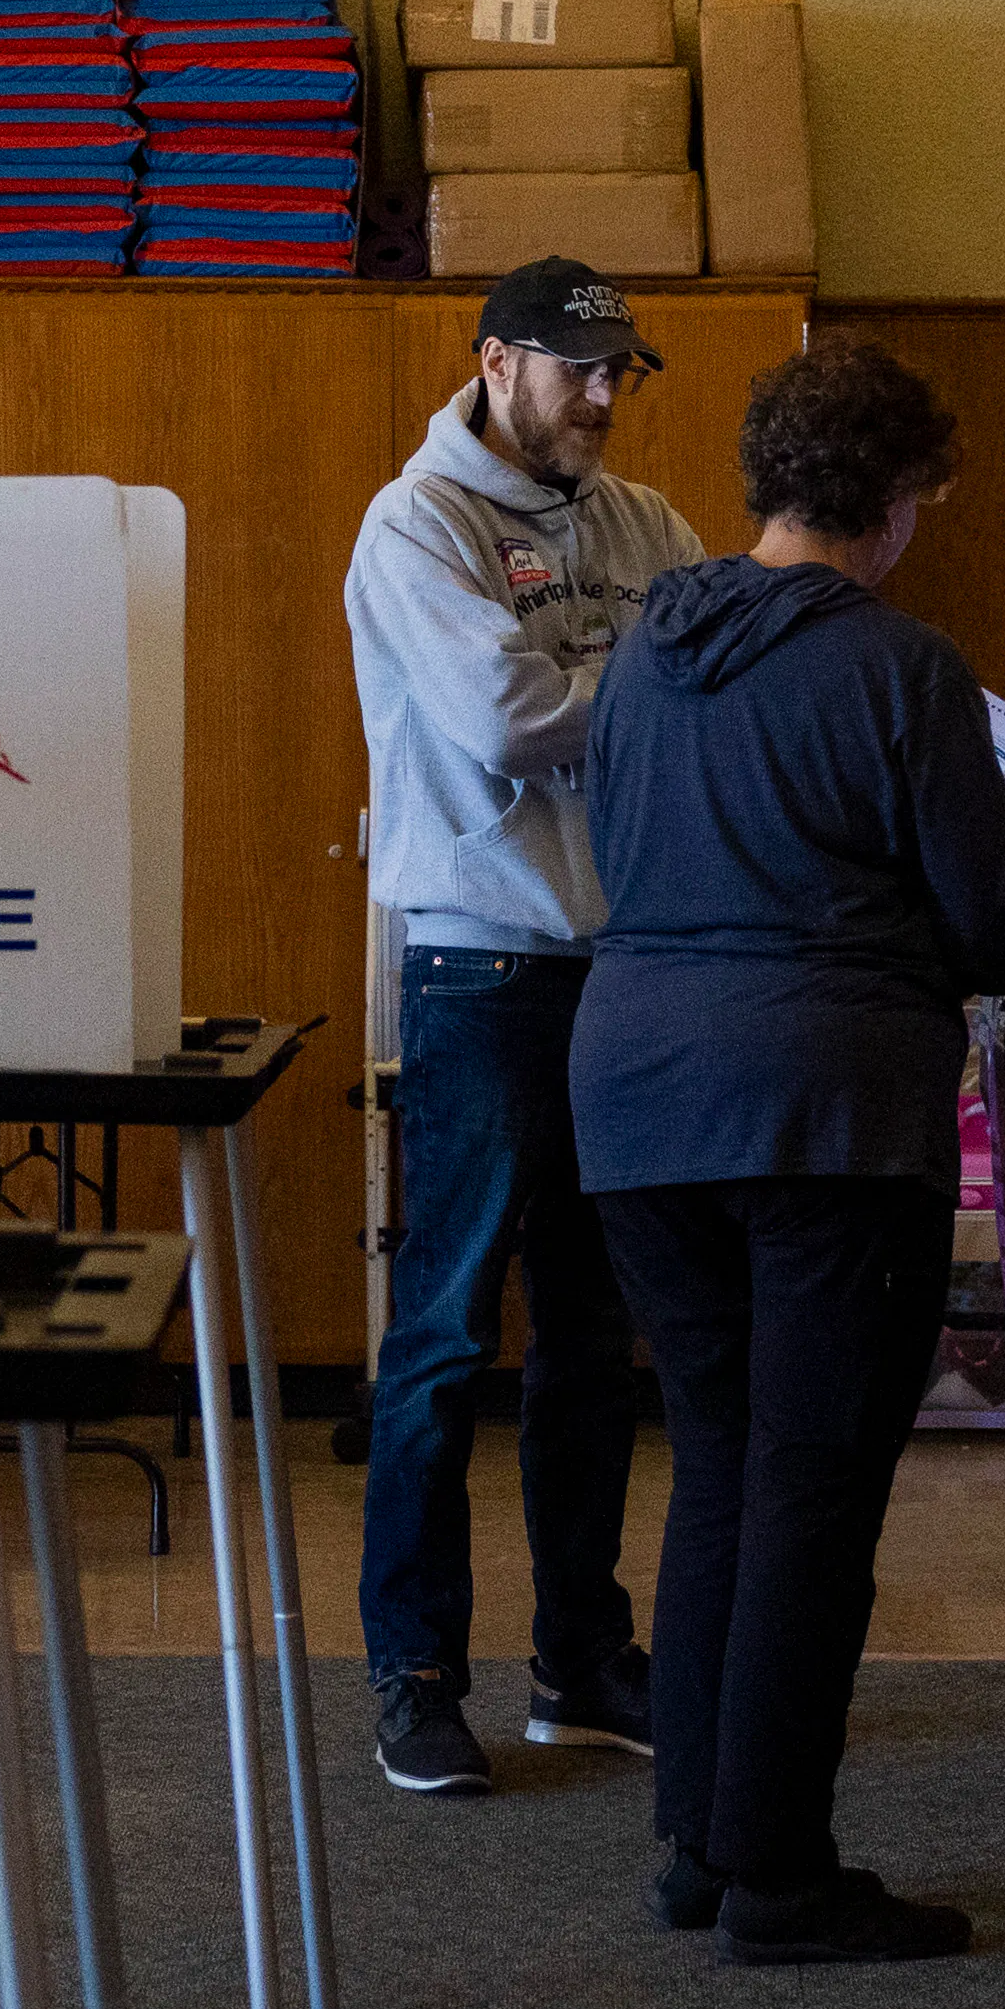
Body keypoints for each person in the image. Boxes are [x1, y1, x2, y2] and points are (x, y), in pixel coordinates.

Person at [568, 331, 1005, 1964]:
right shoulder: (903, 671)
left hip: (632, 1097)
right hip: (824, 1109)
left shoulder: (640, 649)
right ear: (894, 502)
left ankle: (699, 1839)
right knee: (815, 1489)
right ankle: (778, 1871)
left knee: (717, 1463)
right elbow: (987, 925)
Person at [342, 255, 705, 1798]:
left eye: (624, 372)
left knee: (590, 1345)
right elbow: (502, 721)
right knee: (438, 1340)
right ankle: (418, 1673)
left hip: (622, 973)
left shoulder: (641, 523)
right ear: (498, 362)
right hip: (481, 972)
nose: (608, 400)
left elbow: (711, 670)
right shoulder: (415, 523)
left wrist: (591, 683)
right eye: (580, 373)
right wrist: (640, 689)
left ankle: (580, 1659)